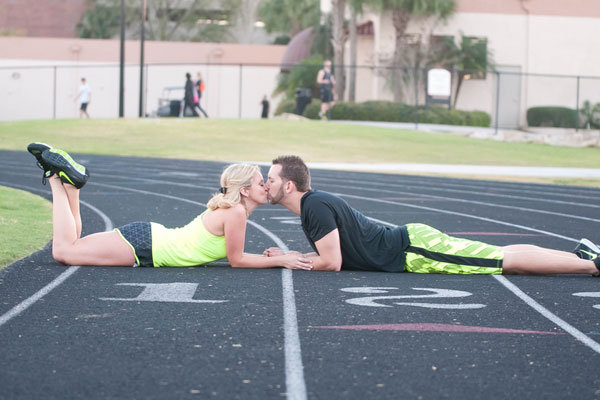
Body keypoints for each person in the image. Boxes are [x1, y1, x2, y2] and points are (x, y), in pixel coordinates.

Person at [263, 155, 600, 276]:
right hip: (413, 244)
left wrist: (288, 259)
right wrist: (294, 255)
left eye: (272, 179)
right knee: (504, 254)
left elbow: (331, 263)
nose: (266, 183)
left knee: (505, 261)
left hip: (413, 250)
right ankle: (581, 255)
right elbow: (330, 256)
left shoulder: (315, 207)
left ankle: (590, 265)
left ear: (289, 185)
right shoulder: (313, 205)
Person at [26, 143, 312, 270]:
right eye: (261, 181)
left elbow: (236, 256)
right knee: (64, 251)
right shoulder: (235, 212)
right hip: (148, 246)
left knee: (71, 247)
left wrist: (280, 257)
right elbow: (237, 260)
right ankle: (55, 178)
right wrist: (281, 259)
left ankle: (72, 185)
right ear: (245, 190)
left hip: (149, 239)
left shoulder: (233, 210)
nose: (266, 187)